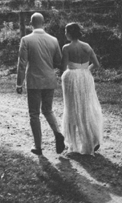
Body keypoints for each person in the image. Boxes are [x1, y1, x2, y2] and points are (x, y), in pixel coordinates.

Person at [16, 12, 65, 156]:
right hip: (49, 80)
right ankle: (58, 133)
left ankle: (38, 146)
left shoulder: (26, 40)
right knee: (48, 110)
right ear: (43, 23)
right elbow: (58, 61)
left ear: (31, 23)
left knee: (34, 114)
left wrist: (19, 83)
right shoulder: (54, 40)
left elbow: (22, 64)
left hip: (34, 81)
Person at [60, 22, 103, 155]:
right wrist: (85, 70)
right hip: (85, 77)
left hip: (71, 77)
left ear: (69, 33)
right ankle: (92, 140)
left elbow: (63, 67)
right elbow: (96, 64)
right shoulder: (87, 46)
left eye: (66, 31)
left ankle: (72, 144)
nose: (65, 33)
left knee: (71, 108)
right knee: (86, 108)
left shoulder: (66, 48)